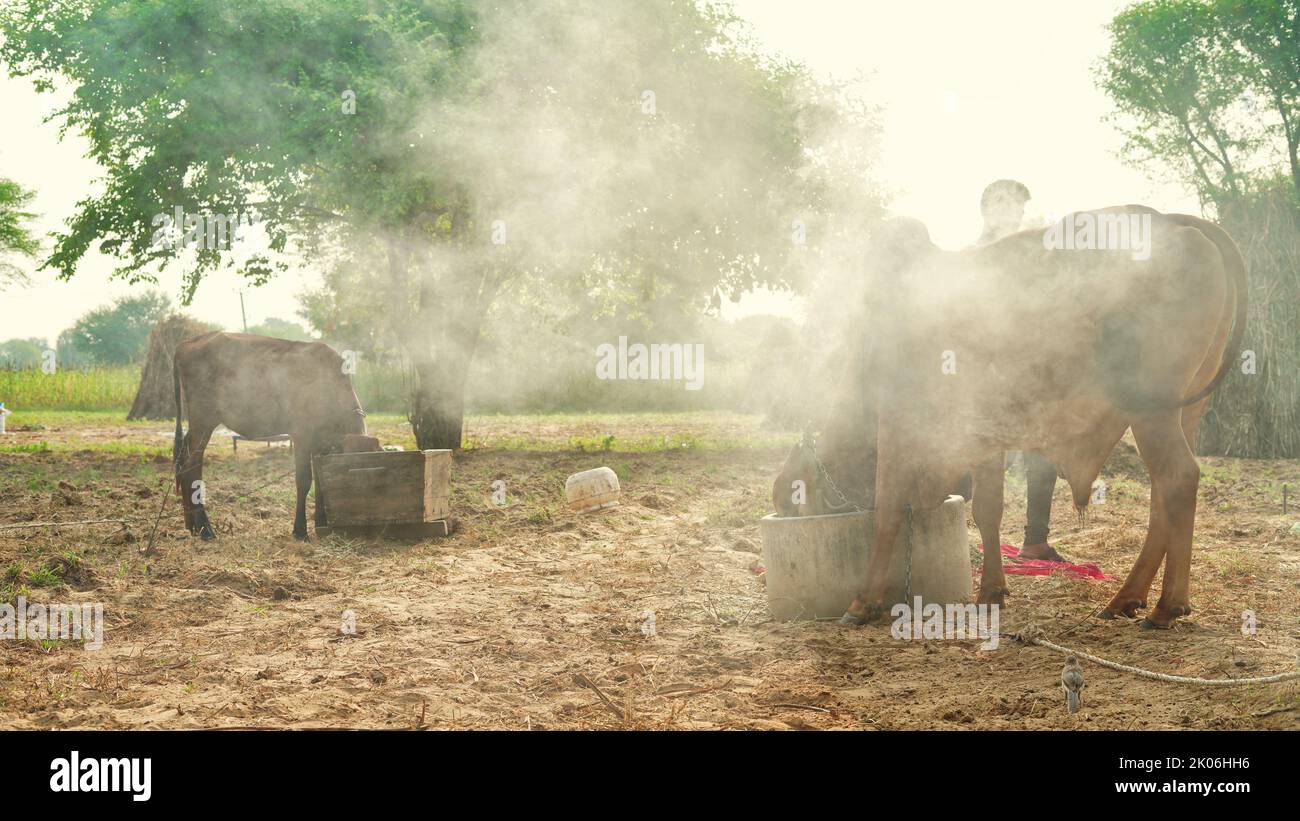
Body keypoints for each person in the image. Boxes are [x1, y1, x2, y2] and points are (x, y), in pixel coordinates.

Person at [955, 180, 1064, 562]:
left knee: (1042, 451)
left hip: (1027, 365)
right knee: (968, 457)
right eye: (1001, 202)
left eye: (1016, 205)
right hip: (979, 370)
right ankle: (951, 537)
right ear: (985, 209)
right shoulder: (969, 255)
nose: (1009, 210)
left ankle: (1035, 541)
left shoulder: (1035, 254)